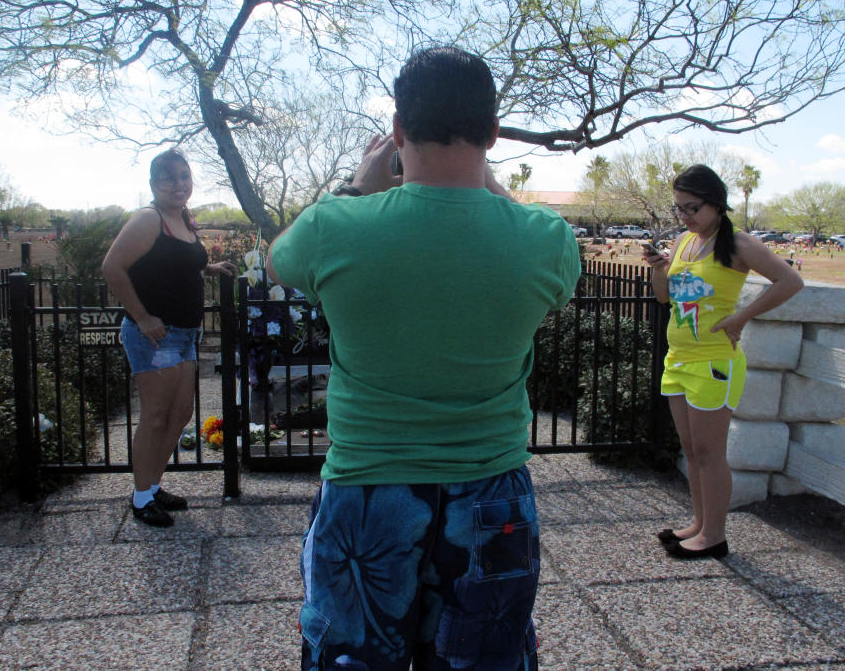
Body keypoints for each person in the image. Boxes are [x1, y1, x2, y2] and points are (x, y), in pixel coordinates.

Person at [267, 47, 581, 670]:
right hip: (495, 494)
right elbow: (521, 233)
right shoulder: (546, 241)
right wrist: (485, 180)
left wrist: (361, 181)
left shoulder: (336, 225)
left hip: (366, 489)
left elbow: (277, 262)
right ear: (493, 132)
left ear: (398, 130)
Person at [644, 164, 803, 559]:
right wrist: (659, 269)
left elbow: (790, 282)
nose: (684, 216)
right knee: (691, 449)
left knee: (710, 452)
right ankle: (699, 524)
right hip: (679, 359)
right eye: (679, 208)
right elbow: (665, 299)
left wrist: (742, 316)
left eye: (692, 208)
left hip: (715, 362)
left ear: (716, 203)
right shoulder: (684, 242)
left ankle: (714, 536)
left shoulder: (739, 244)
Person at [102, 148, 236, 527]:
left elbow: (176, 262)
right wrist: (142, 317)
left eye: (184, 175)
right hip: (155, 337)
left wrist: (209, 266)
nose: (178, 183)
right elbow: (112, 267)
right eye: (168, 177)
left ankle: (152, 486)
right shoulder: (149, 219)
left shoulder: (182, 218)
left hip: (185, 335)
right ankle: (141, 498)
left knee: (180, 414)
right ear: (153, 184)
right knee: (157, 415)